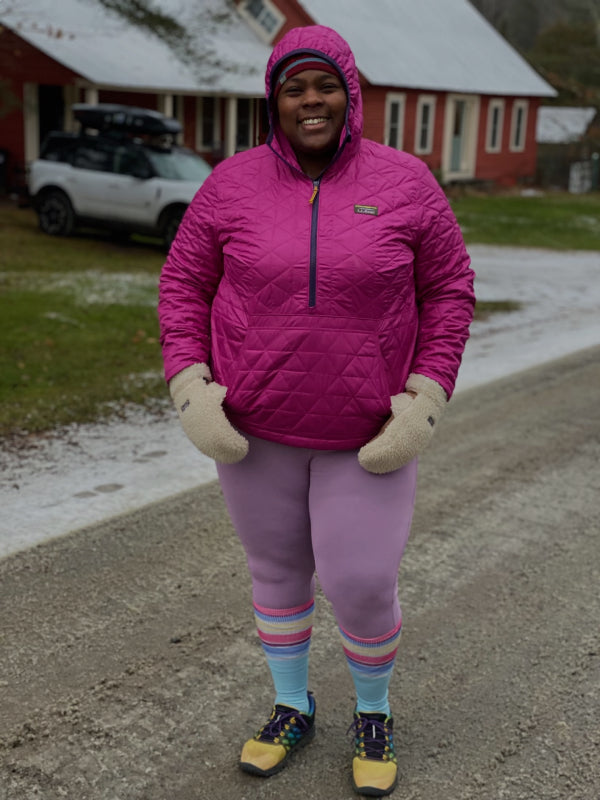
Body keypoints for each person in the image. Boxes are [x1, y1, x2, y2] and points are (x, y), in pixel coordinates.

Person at [158, 24, 475, 798]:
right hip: (254, 432)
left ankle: (374, 712)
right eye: (294, 87)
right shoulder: (229, 184)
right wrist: (190, 384)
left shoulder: (406, 183)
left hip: (365, 435)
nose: (311, 101)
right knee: (276, 575)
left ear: (350, 94)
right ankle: (292, 706)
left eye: (324, 85)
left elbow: (450, 291)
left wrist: (427, 395)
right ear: (275, 99)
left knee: (362, 579)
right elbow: (182, 286)